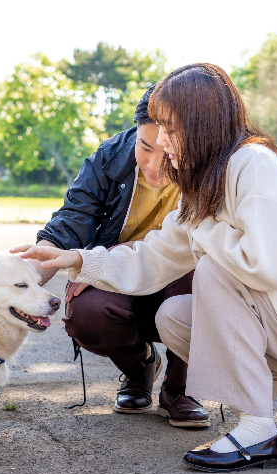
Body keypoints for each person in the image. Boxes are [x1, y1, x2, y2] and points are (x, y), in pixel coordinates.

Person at [14, 63, 277, 472]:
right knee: (177, 318)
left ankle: (256, 431)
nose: (159, 140)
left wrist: (202, 228)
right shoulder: (201, 188)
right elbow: (154, 257)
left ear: (201, 125)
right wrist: (79, 259)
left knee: (215, 271)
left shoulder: (254, 165)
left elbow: (265, 268)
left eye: (167, 127)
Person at [31, 87, 209, 428]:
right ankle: (140, 367)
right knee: (87, 314)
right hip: (121, 275)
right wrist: (22, 276)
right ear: (134, 134)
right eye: (144, 147)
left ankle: (180, 388)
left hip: (180, 276)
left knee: (201, 278)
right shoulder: (110, 156)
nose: (155, 166)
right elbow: (72, 219)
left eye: (168, 151)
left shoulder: (210, 166)